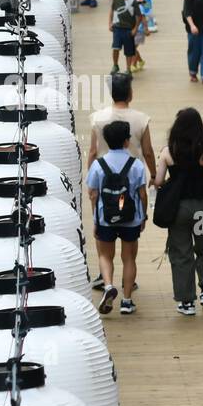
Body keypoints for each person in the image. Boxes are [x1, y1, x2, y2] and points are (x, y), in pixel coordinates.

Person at [154, 108, 203, 315]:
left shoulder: (168, 152)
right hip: (201, 208)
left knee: (181, 252)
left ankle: (186, 302)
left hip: (179, 209)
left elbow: (158, 181)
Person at [86, 120, 148, 316]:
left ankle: (108, 286)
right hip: (131, 218)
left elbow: (93, 194)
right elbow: (142, 194)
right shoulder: (136, 165)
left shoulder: (98, 165)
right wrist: (143, 215)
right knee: (129, 257)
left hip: (105, 217)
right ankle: (127, 301)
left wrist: (96, 218)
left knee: (105, 255)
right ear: (126, 142)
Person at [89, 72, 157, 184]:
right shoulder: (141, 119)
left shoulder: (97, 118)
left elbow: (93, 152)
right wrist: (153, 175)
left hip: (105, 177)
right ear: (130, 93)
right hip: (132, 176)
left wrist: (92, 181)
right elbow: (148, 152)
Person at [108, 0, 140, 75]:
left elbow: (138, 16)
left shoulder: (133, 1)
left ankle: (128, 68)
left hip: (128, 30)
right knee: (116, 47)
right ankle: (115, 65)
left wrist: (135, 28)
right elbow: (112, 11)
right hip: (117, 28)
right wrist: (110, 23)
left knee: (129, 51)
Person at [128, 0, 149, 72]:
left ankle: (133, 65)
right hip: (134, 30)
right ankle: (140, 61)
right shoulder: (135, 7)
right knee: (133, 48)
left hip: (139, 31)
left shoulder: (139, 8)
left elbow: (143, 18)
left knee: (132, 48)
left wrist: (146, 29)